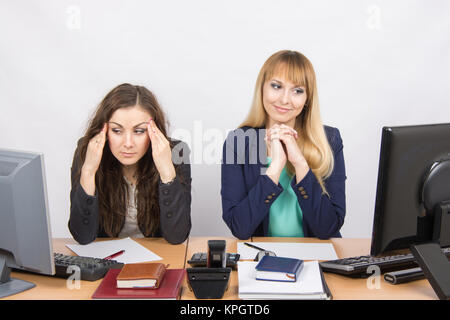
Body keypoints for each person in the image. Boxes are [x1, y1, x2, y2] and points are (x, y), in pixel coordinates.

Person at [221, 50, 346, 240]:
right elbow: (240, 227)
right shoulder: (237, 143)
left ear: (307, 99)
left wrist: (301, 165)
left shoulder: (330, 140)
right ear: (262, 88)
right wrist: (275, 168)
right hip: (261, 257)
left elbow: (328, 228)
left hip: (315, 256)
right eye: (276, 86)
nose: (285, 99)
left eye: (297, 90)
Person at [69, 83, 191, 245]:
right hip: (106, 262)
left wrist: (167, 170)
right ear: (103, 130)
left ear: (154, 131)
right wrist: (89, 171)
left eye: (139, 131)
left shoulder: (177, 153)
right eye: (117, 131)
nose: (128, 143)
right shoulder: (88, 151)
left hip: (158, 260)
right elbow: (82, 237)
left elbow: (177, 236)